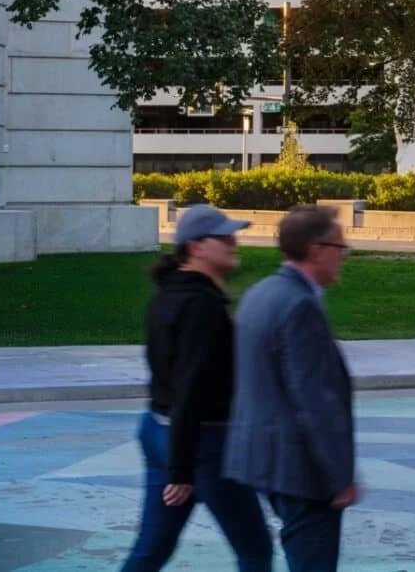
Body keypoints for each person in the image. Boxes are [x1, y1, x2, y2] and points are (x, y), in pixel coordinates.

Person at [118, 203, 272, 572]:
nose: (233, 242)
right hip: (203, 443)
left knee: (152, 549)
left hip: (160, 430)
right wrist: (181, 469)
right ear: (196, 246)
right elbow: (191, 388)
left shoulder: (167, 295)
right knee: (255, 550)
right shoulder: (202, 305)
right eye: (224, 237)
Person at [225, 207, 357, 572]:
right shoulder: (300, 306)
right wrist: (340, 477)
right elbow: (315, 401)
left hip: (264, 461)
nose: (344, 255)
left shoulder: (260, 293)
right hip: (301, 471)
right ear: (316, 250)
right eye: (340, 247)